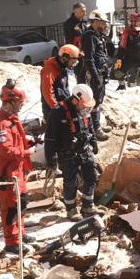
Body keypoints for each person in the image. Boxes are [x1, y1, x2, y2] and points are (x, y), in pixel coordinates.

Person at [44, 84, 102, 220]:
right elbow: (50, 138)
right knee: (71, 182)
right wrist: (51, 158)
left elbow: (90, 127)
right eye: (84, 105)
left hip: (84, 150)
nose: (86, 109)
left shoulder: (83, 111)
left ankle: (88, 205)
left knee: (91, 176)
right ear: (75, 100)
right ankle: (71, 209)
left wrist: (94, 141)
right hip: (67, 154)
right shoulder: (57, 112)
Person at [0, 80, 36, 253]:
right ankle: (11, 242)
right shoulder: (2, 123)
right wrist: (28, 152)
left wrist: (31, 143)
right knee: (11, 207)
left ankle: (20, 233)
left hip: (17, 170)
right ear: (11, 102)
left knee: (22, 201)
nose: (21, 106)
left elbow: (17, 141)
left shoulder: (12, 119)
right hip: (7, 173)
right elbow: (6, 151)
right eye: (20, 103)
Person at [79, 10, 111, 141]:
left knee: (99, 100)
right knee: (92, 101)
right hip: (92, 74)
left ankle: (96, 125)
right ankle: (93, 129)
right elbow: (89, 59)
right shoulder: (89, 36)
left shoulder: (98, 36)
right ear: (95, 21)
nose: (104, 25)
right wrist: (95, 76)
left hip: (100, 72)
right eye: (102, 22)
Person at [40, 44, 81, 120]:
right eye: (72, 62)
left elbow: (63, 88)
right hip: (53, 109)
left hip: (62, 106)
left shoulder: (62, 67)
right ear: (64, 58)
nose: (73, 65)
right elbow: (47, 92)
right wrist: (56, 108)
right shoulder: (49, 70)